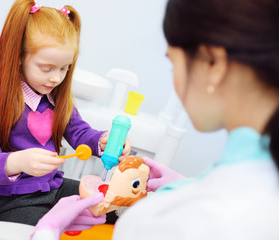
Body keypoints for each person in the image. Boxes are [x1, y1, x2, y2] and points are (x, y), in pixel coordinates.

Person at [31, 0, 279, 239]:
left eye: (173, 65)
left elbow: (79, 130)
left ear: (212, 64)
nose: (56, 78)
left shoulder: (159, 222)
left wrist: (47, 230)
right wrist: (189, 185)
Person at [0, 0, 130, 226]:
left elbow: (80, 132)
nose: (56, 78)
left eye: (65, 68)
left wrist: (102, 142)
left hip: (54, 188)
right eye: (46, 68)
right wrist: (18, 161)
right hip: (13, 201)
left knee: (121, 207)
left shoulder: (56, 96)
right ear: (19, 56)